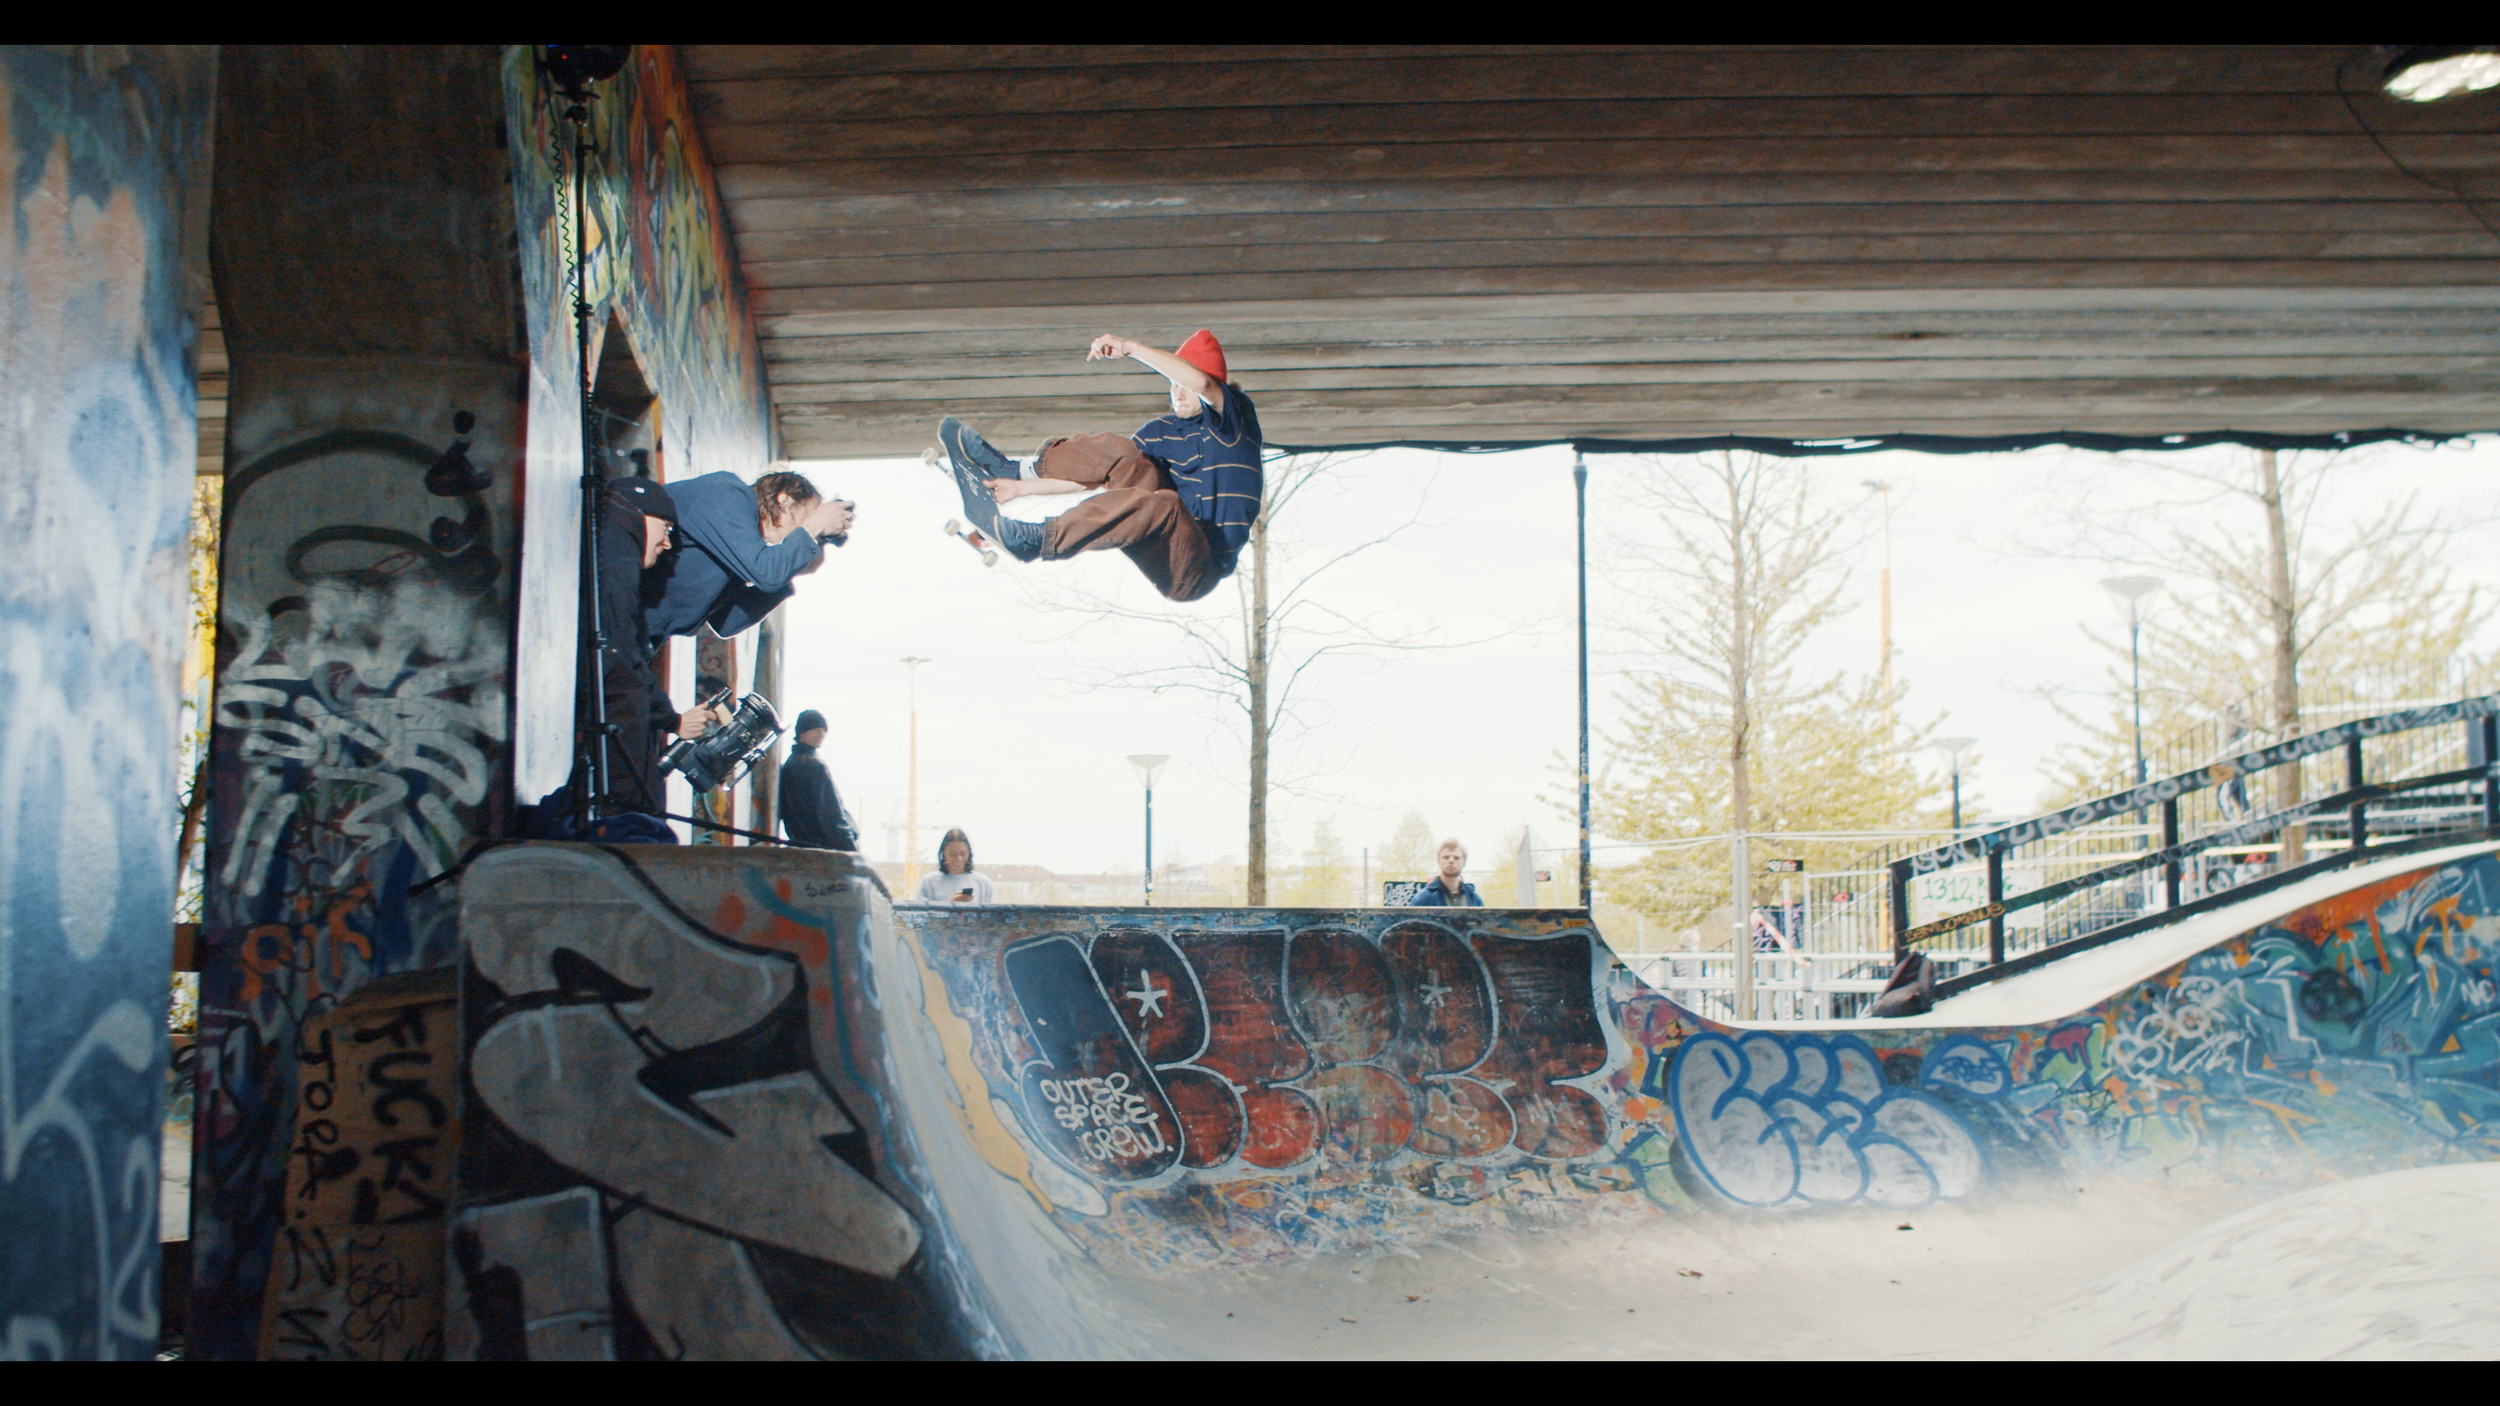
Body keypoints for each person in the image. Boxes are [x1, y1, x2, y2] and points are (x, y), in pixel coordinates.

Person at [936, 329, 1260, 603]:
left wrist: (1130, 347)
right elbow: (1092, 476)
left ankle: (1039, 540)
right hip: (1156, 535)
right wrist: (1021, 488)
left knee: (1166, 504)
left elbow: (1204, 385)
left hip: (1193, 569)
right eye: (1172, 383)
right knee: (1123, 452)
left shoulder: (1234, 422)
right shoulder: (1161, 432)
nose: (1178, 392)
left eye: (1183, 384)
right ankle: (1015, 470)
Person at [577, 476, 730, 819]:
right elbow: (621, 653)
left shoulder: (610, 546)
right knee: (634, 817)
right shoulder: (616, 556)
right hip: (611, 715)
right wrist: (671, 719)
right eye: (666, 527)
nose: (667, 543)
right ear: (640, 513)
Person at [778, 709, 860, 851]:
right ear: (801, 732)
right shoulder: (814, 765)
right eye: (815, 729)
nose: (821, 734)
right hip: (824, 847)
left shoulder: (791, 764)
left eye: (823, 730)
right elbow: (831, 813)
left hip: (802, 846)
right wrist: (851, 850)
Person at [914, 828, 993, 905]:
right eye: (952, 854)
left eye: (963, 853)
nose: (958, 859)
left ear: (969, 853)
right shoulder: (929, 882)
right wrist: (950, 906)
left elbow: (993, 916)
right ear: (943, 854)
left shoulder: (983, 883)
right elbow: (922, 915)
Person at [1403, 838, 1484, 907]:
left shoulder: (1474, 899)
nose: (1451, 861)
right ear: (1439, 861)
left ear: (1464, 862)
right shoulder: (1423, 898)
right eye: (1446, 857)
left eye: (1456, 858)